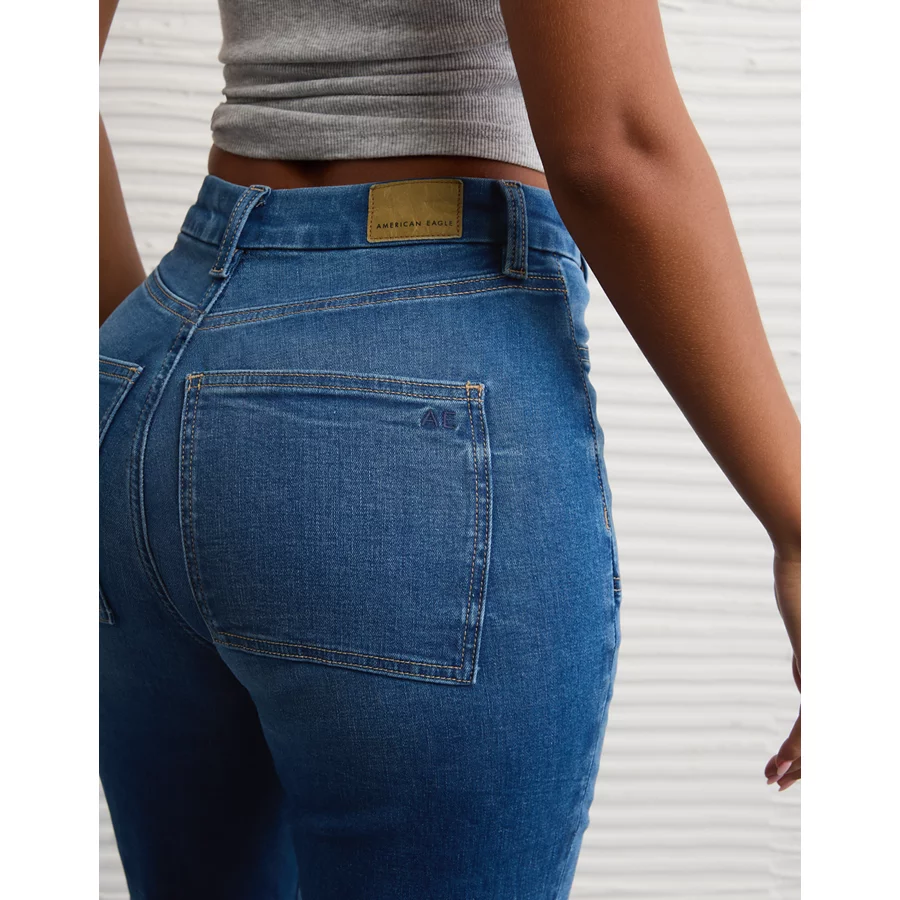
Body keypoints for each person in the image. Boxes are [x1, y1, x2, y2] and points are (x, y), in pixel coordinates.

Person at [99, 0, 800, 897]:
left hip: (147, 365)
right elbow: (613, 144)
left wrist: (130, 379)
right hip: (421, 375)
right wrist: (806, 530)